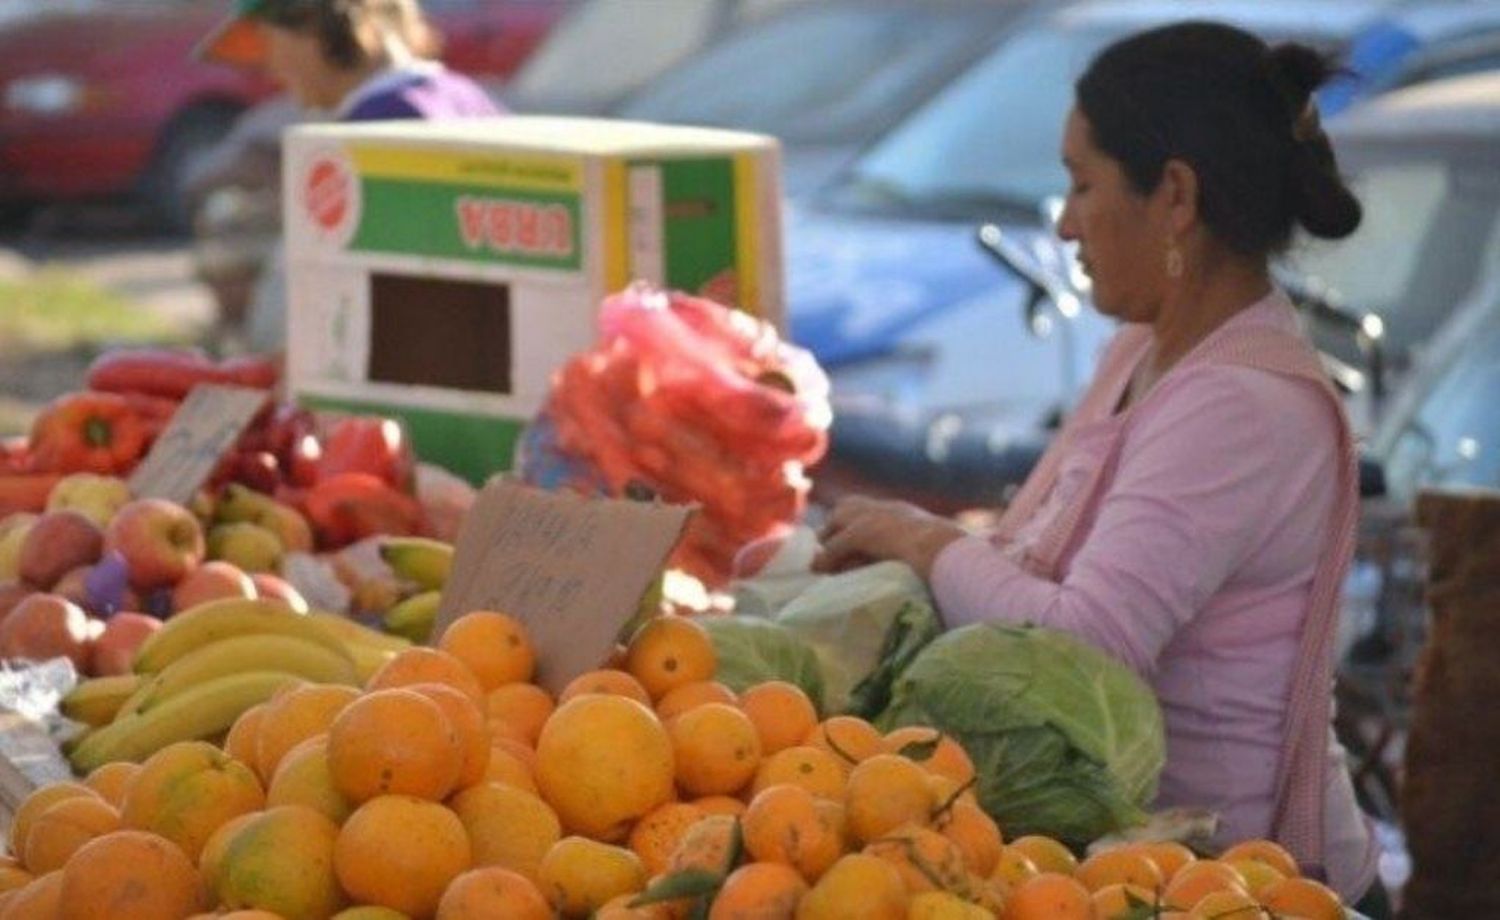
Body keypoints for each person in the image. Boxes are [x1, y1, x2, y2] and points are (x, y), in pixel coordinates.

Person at [813, 22, 1389, 915]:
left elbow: (1088, 648)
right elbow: (1037, 562)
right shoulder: (1144, 350)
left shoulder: (1237, 407)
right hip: (1127, 864)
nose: (1068, 222)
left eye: (1083, 185)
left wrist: (927, 544)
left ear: (1176, 197)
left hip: (1234, 883)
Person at [195, 0, 502, 351]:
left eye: (269, 42)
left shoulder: (372, 134)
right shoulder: (467, 98)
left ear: (313, 29)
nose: (270, 67)